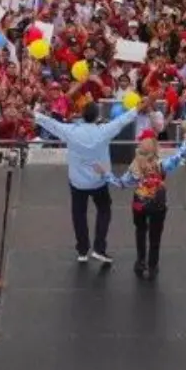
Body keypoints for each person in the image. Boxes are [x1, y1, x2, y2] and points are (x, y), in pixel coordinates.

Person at [32, 100, 141, 265]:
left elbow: (50, 124)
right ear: (97, 116)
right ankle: (99, 248)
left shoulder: (71, 131)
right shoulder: (104, 131)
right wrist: (144, 104)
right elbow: (124, 119)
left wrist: (32, 114)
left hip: (78, 183)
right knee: (104, 210)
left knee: (79, 214)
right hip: (99, 181)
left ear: (82, 115)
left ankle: (82, 250)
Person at [99, 125, 186, 279]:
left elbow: (121, 183)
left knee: (140, 231)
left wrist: (105, 174)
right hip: (158, 204)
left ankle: (141, 261)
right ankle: (153, 266)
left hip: (139, 204)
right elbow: (180, 154)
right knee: (155, 236)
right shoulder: (162, 165)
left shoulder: (134, 167)